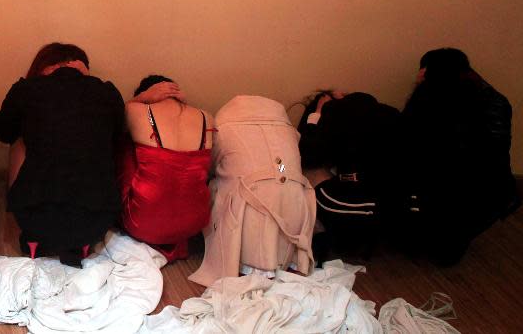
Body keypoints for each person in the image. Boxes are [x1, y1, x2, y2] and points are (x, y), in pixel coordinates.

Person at [0, 43, 125, 267]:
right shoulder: (106, 92)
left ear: (44, 67)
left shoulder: (27, 89)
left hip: (34, 215)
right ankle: (80, 244)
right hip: (95, 218)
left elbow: (3, 131)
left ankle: (33, 241)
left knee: (20, 138)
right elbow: (118, 138)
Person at [400, 47, 520, 265]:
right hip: (462, 184)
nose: (418, 76)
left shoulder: (475, 103)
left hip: (471, 186)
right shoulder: (473, 97)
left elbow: (487, 157)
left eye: (423, 71)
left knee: (442, 247)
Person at [189, 95, 315, 287]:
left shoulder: (225, 129)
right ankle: (283, 260)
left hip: (250, 203)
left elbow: (211, 167)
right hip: (293, 202)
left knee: (218, 184)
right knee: (278, 177)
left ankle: (244, 261)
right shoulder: (287, 130)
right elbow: (280, 167)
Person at [118, 75, 215, 261]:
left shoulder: (134, 109)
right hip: (195, 224)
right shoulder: (206, 116)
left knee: (126, 146)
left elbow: (112, 123)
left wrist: (140, 99)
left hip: (142, 223)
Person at [297, 91, 400, 261]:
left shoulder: (336, 114)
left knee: (308, 179)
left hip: (368, 201)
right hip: (402, 198)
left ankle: (319, 236)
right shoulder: (386, 112)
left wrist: (317, 113)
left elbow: (308, 153)